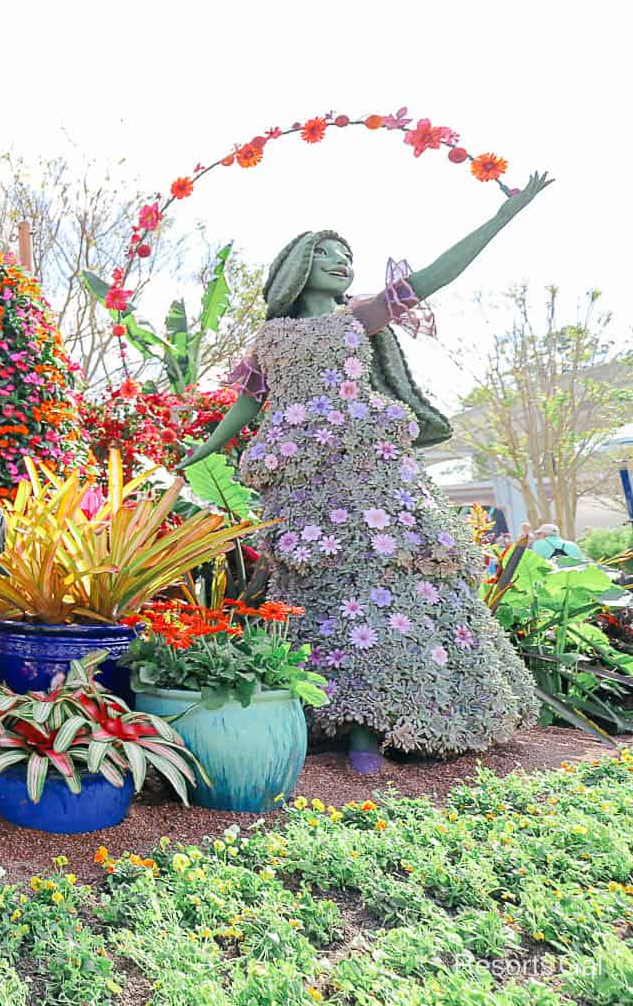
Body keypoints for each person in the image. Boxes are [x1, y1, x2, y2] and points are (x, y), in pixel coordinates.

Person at [182, 172, 555, 773]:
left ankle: (392, 719)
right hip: (302, 471)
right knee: (318, 579)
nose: (344, 264)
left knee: (384, 572)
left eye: (348, 257)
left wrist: (506, 214)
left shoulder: (360, 316)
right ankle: (330, 713)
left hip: (370, 468)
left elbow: (436, 274)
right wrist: (206, 448)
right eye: (328, 255)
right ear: (298, 267)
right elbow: (248, 403)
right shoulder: (270, 337)